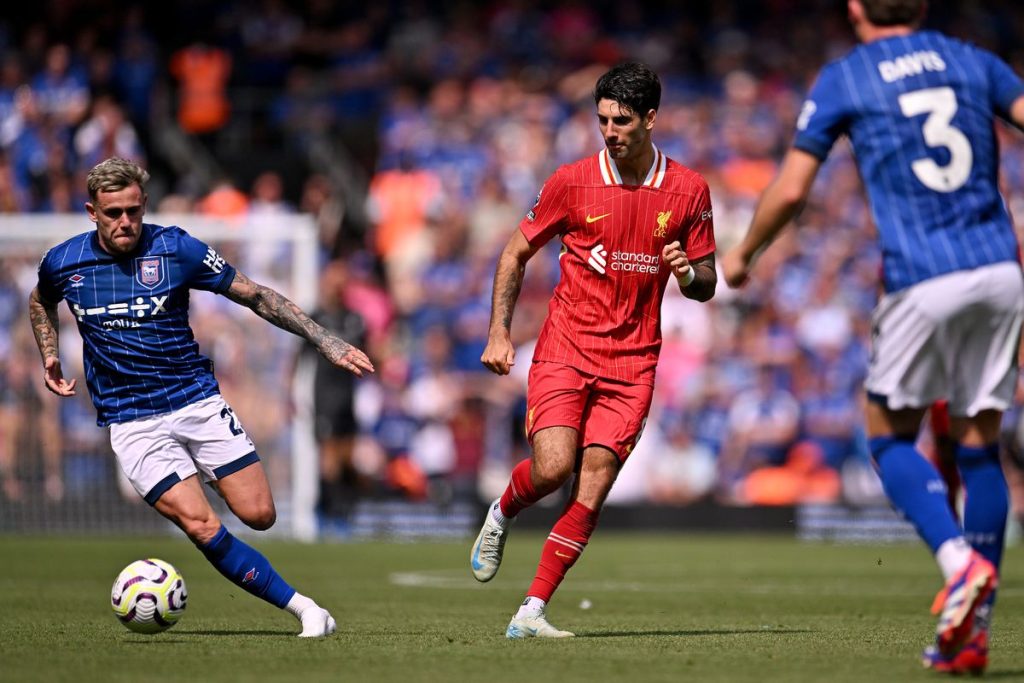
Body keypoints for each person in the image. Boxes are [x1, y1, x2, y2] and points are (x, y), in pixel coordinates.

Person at [722, 0, 1024, 673]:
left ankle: (957, 562)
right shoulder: (972, 61)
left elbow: (795, 187)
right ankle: (971, 636)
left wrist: (742, 253)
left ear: (855, 7)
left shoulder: (848, 77)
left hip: (921, 274)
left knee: (887, 435)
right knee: (980, 449)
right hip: (1000, 269)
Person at [28, 157, 374, 637]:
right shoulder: (64, 262)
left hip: (195, 401)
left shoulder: (176, 248)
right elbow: (40, 299)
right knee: (201, 524)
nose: (124, 222)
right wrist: (49, 352)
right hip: (133, 422)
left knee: (260, 515)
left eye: (132, 210)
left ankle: (204, 473)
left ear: (144, 204)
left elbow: (254, 295)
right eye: (112, 214)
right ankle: (305, 609)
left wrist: (324, 339)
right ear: (92, 212)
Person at [470, 62, 717, 638]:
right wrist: (499, 332)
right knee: (554, 468)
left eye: (622, 120)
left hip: (634, 361)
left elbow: (706, 282)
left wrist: (688, 275)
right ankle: (503, 510)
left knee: (595, 480)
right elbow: (514, 254)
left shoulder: (688, 190)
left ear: (651, 119)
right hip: (566, 348)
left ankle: (531, 611)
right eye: (602, 118)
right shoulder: (572, 181)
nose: (610, 129)